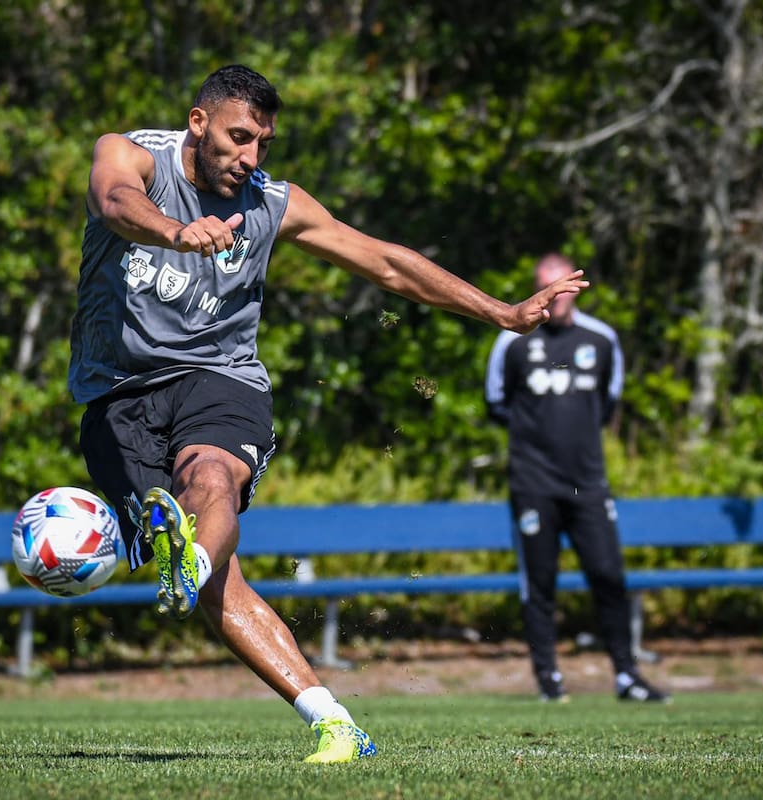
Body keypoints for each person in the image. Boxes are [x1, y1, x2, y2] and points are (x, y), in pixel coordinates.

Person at [69, 64, 590, 763]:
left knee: (210, 479)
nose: (251, 158)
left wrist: (502, 312)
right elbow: (113, 202)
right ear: (199, 124)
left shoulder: (272, 203)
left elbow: (387, 265)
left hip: (221, 378)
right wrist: (174, 232)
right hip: (117, 396)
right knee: (218, 583)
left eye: (264, 144)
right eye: (239, 138)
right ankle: (332, 719)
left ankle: (185, 558)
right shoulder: (129, 152)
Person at [484, 254, 669, 704]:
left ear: (576, 288)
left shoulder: (602, 340)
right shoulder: (512, 343)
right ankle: (549, 681)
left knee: (608, 574)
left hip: (587, 482)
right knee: (540, 583)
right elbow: (495, 402)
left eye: (562, 286)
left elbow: (610, 401)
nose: (555, 296)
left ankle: (627, 676)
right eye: (546, 286)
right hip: (533, 483)